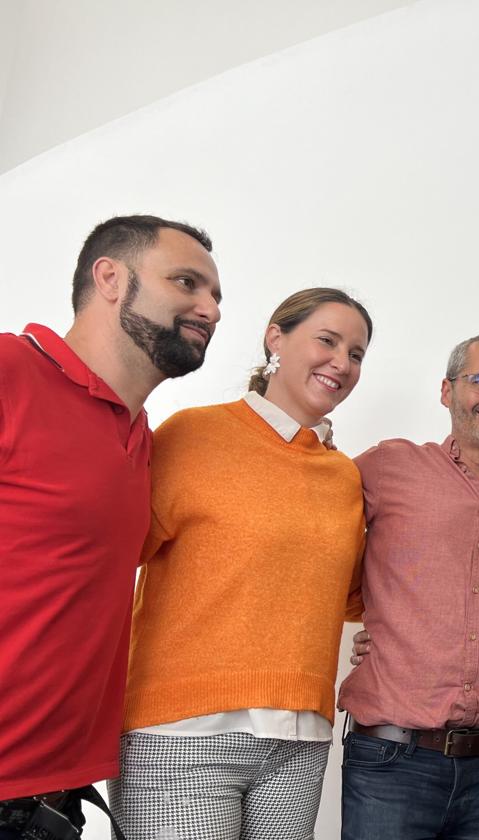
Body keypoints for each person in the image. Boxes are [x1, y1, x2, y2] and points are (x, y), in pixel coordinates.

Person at [107, 288, 372, 839]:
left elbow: (351, 596)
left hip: (301, 742)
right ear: (276, 336)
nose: (342, 363)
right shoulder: (193, 435)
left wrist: (397, 632)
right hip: (182, 733)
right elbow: (110, 557)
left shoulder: (344, 476)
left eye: (356, 353)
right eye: (327, 340)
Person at [0, 215, 221, 837]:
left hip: (56, 798)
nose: (210, 308)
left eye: (216, 296)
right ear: (111, 279)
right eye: (187, 282)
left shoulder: (142, 436)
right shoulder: (10, 371)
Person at [339, 333, 479, 840]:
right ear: (446, 390)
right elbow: (316, 543)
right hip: (391, 760)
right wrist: (357, 618)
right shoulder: (388, 466)